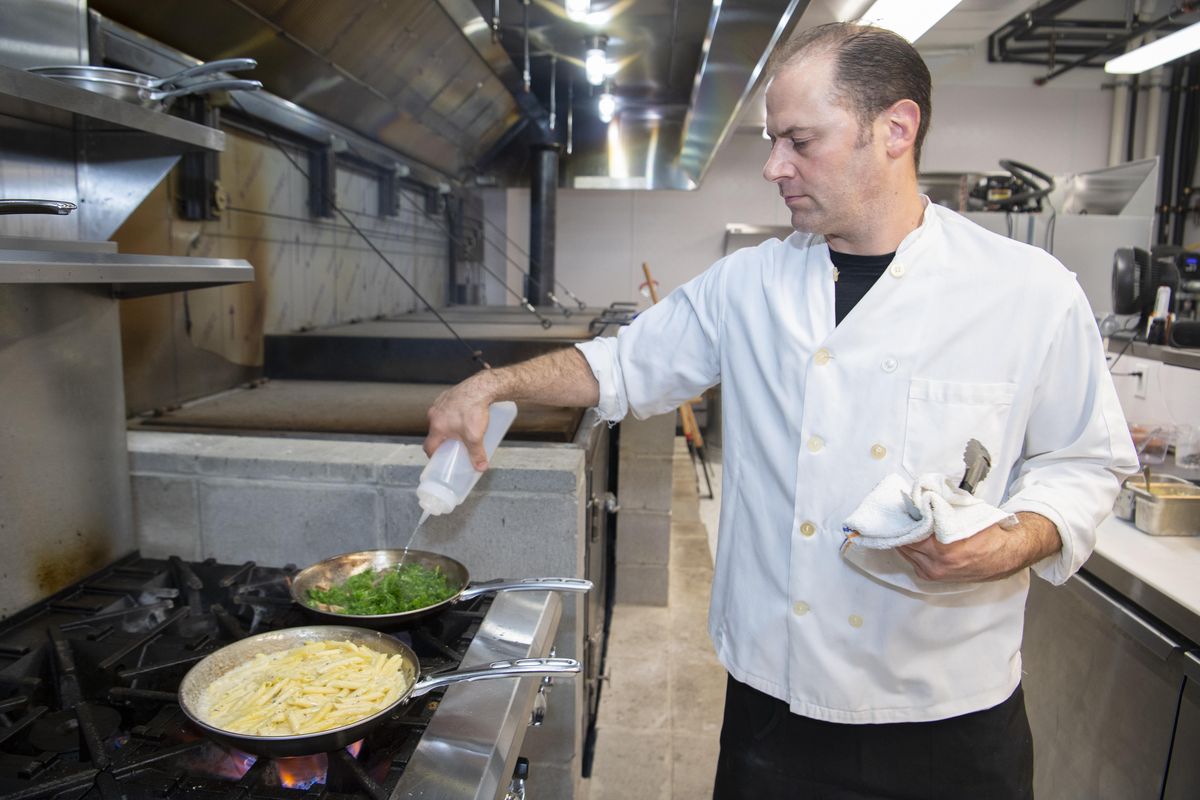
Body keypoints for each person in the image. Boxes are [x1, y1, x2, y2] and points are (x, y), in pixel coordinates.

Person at [424, 22, 1138, 800]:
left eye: (799, 140)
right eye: (773, 140)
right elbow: (623, 364)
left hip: (948, 714)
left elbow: (1084, 462)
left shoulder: (1026, 292)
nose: (773, 166)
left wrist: (1011, 541)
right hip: (776, 706)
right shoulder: (751, 284)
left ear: (896, 129)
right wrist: (492, 385)